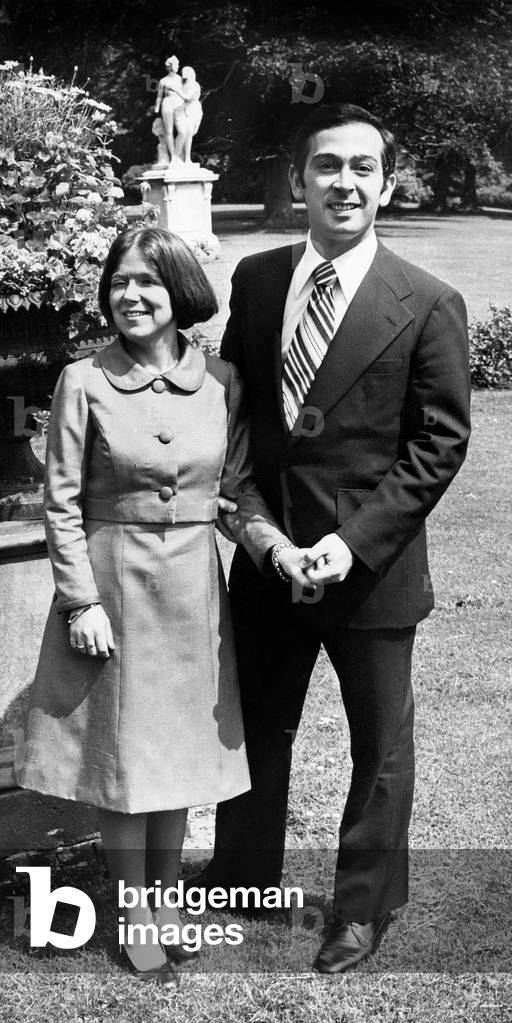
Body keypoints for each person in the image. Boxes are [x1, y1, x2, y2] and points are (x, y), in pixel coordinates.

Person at [189, 103, 472, 973]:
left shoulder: (428, 301)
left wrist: (350, 543)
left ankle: (362, 908)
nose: (343, 183)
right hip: (269, 558)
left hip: (372, 569)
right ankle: (240, 881)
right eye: (326, 167)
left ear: (385, 185)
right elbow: (235, 419)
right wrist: (262, 533)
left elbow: (440, 441)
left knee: (379, 744)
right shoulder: (262, 278)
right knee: (255, 727)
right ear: (298, 180)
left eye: (361, 169)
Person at [16, 227, 309, 987]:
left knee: (176, 755)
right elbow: (62, 503)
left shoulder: (222, 382)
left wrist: (274, 549)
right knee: (123, 758)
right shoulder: (83, 380)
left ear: (179, 291)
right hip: (112, 590)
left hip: (192, 591)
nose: (131, 296)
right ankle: (135, 907)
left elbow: (237, 493)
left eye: (147, 282)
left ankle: (170, 897)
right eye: (119, 283)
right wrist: (80, 599)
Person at [154, 55, 183, 162]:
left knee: (182, 131)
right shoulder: (163, 81)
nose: (178, 67)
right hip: (167, 104)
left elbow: (184, 94)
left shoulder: (180, 79)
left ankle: (179, 154)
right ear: (170, 67)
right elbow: (159, 97)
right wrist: (157, 108)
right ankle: (173, 156)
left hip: (179, 103)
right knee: (169, 131)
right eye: (176, 65)